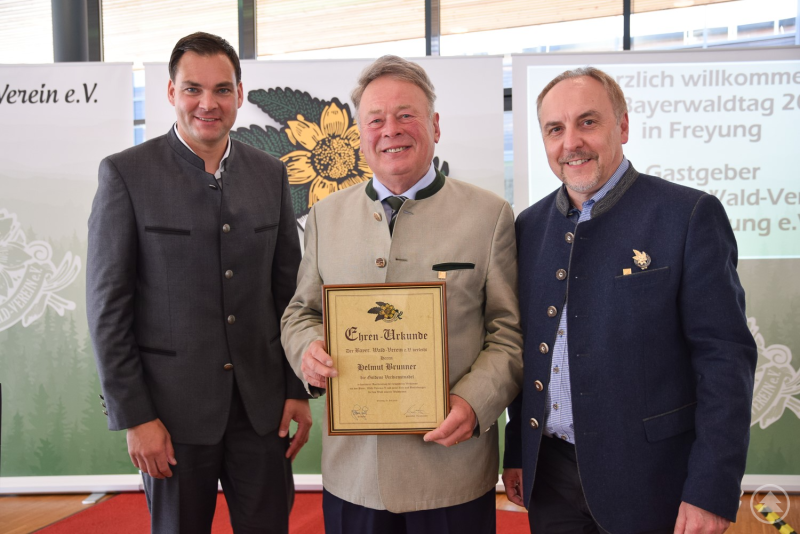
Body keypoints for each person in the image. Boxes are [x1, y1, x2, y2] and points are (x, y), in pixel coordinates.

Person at [502, 66, 757, 534]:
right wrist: (517, 451)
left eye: (588, 122)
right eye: (555, 129)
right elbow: (528, 352)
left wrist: (710, 489)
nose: (571, 142)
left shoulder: (688, 215)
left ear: (622, 126)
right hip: (552, 479)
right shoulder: (529, 227)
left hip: (653, 480)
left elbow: (725, 361)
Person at [280, 55, 523, 534]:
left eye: (406, 115)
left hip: (451, 473)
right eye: (375, 119)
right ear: (360, 135)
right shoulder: (326, 216)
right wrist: (306, 350)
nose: (391, 129)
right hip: (354, 476)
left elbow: (509, 334)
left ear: (434, 124)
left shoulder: (489, 215)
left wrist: (475, 403)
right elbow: (299, 313)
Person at [86, 32, 311, 534]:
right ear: (170, 93)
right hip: (169, 417)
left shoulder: (271, 174)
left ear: (240, 93)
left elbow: (289, 295)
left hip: (262, 410)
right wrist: (136, 417)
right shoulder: (126, 175)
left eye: (222, 90)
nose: (208, 104)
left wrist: (296, 388)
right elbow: (108, 310)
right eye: (192, 89)